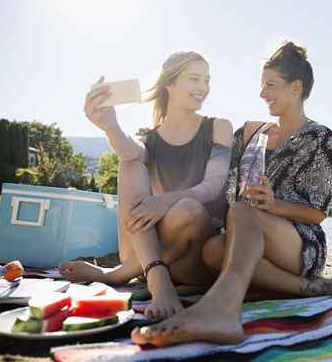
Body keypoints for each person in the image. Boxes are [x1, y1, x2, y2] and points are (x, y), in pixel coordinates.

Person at [131, 42, 332, 347]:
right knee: (213, 251)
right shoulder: (248, 134)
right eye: (261, 85)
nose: (262, 93)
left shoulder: (319, 138)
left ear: (296, 88)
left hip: (297, 242)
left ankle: (222, 311)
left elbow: (317, 213)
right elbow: (217, 182)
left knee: (243, 213)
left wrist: (274, 205)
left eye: (271, 85)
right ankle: (311, 288)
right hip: (244, 234)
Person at [59, 51, 233, 320]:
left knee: (188, 209)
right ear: (169, 84)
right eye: (194, 79)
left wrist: (164, 201)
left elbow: (213, 185)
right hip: (146, 251)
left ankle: (118, 274)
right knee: (130, 161)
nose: (203, 88)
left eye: (206, 80)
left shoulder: (218, 127)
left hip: (195, 257)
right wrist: (110, 127)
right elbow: (129, 151)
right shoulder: (148, 137)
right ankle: (157, 281)